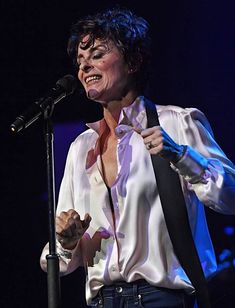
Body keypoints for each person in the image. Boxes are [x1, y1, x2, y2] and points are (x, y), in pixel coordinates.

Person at [40, 7, 235, 308]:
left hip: (163, 298)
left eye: (97, 54)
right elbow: (59, 257)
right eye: (80, 60)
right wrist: (66, 242)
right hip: (102, 301)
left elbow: (230, 197)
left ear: (133, 61)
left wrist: (182, 156)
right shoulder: (81, 148)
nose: (85, 67)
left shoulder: (177, 123)